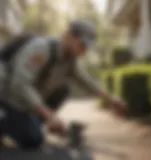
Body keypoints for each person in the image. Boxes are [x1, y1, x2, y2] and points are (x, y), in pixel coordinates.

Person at [0, 20, 127, 149]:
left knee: (63, 89)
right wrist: (48, 114)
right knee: (33, 140)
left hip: (24, 102)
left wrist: (111, 100)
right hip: (9, 98)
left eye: (87, 47)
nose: (83, 52)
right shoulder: (41, 49)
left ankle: (33, 124)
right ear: (69, 36)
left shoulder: (69, 59)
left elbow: (86, 81)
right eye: (82, 44)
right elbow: (20, 84)